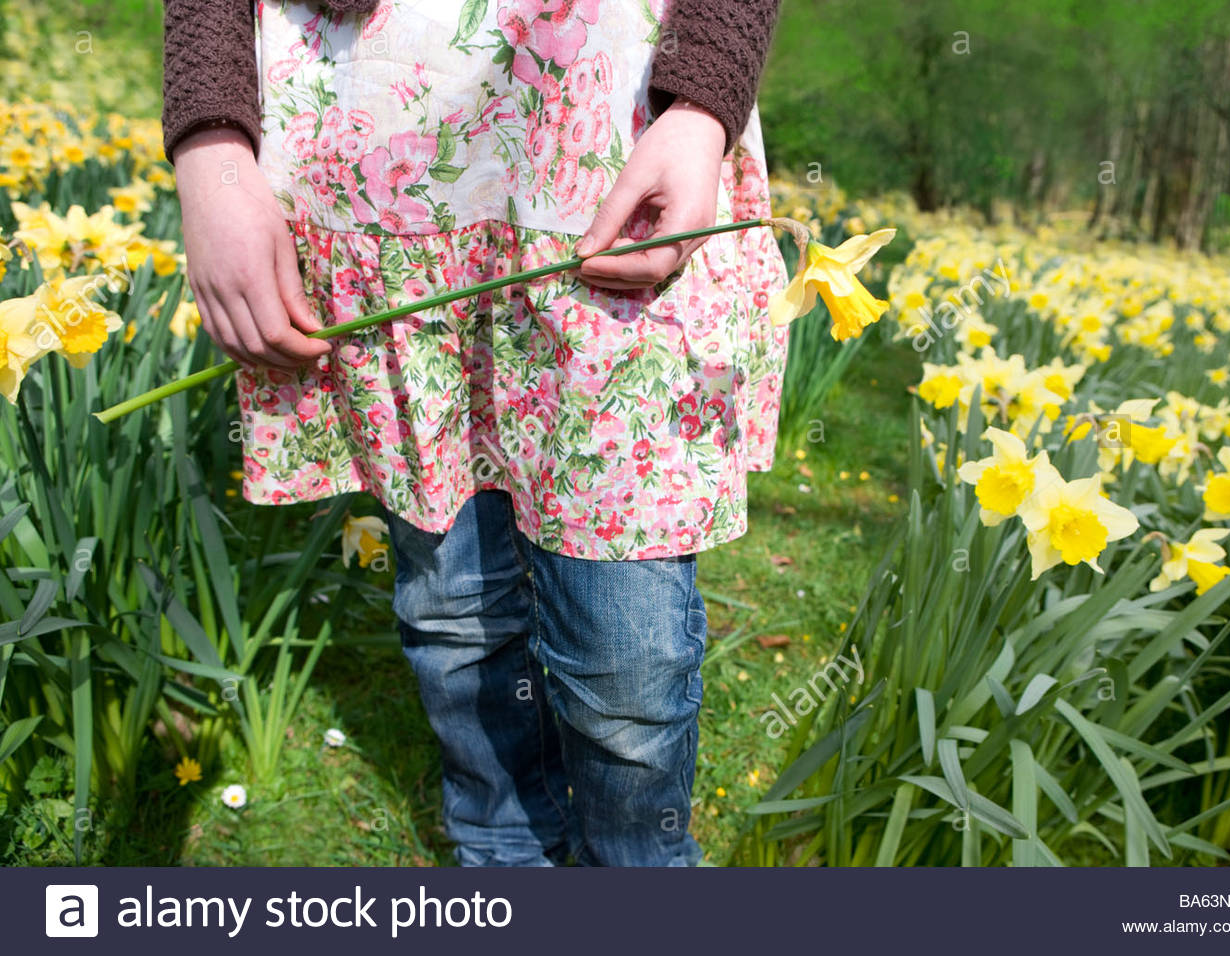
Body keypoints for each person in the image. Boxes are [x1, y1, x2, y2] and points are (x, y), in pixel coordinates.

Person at [162, 0, 785, 866]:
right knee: (455, 611)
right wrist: (210, 151)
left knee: (626, 666)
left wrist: (704, 101)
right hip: (378, 147)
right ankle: (500, 857)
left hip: (609, 137)